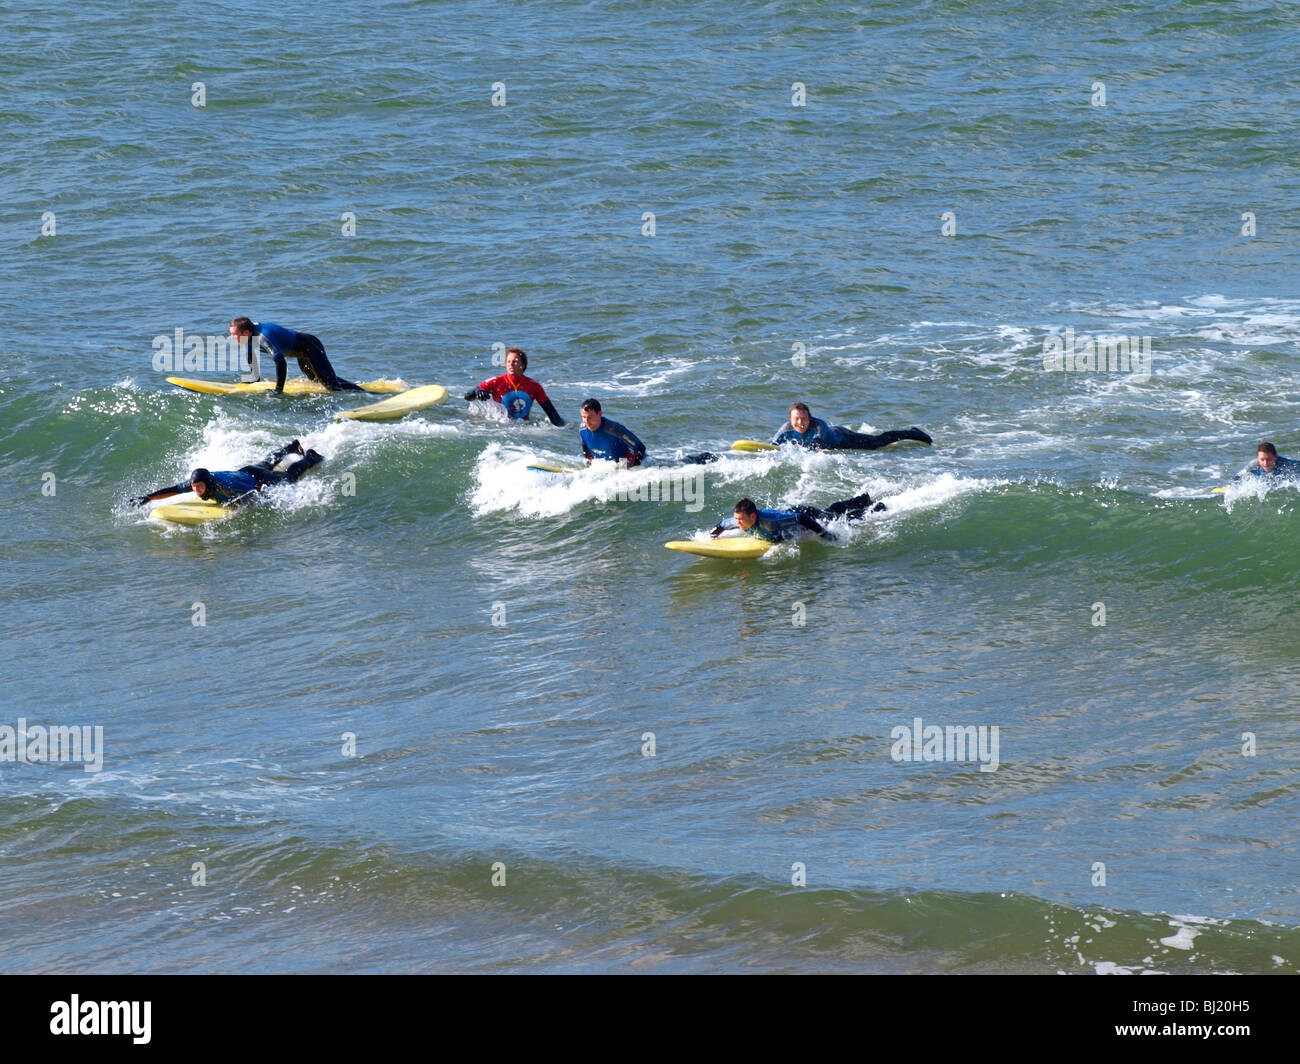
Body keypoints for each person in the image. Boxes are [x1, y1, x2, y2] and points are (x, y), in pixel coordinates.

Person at [130, 441, 323, 507]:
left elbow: (253, 489)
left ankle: (310, 457)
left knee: (289, 478)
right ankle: (290, 447)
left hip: (254, 478)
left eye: (199, 487)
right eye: (194, 487)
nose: (196, 490)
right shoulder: (198, 482)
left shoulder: (225, 486)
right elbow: (174, 490)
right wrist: (148, 497)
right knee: (265, 463)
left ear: (208, 483)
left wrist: (258, 491)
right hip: (245, 472)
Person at [229, 317, 361, 393]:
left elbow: (280, 361)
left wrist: (278, 390)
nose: (232, 337)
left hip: (310, 347)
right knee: (316, 380)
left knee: (331, 386)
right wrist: (254, 380)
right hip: (300, 353)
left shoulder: (263, 337)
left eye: (234, 334)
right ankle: (349, 386)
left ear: (246, 332)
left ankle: (364, 394)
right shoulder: (248, 337)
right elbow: (251, 356)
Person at [709, 493, 885, 543]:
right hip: (792, 514)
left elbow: (801, 518)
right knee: (830, 512)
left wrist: (824, 534)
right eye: (736, 519)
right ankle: (861, 499)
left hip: (804, 514)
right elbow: (722, 525)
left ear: (753, 516)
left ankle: (874, 508)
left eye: (740, 519)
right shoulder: (739, 520)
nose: (737, 522)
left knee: (836, 519)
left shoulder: (771, 522)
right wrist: (713, 535)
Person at [463, 347, 565, 425]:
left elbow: (552, 414)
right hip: (500, 426)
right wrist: (476, 391)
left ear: (523, 365)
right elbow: (467, 396)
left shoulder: (534, 386)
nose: (511, 364)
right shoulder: (495, 381)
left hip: (524, 426)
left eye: (515, 361)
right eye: (508, 361)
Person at [772, 402, 931, 450]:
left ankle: (913, 433)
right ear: (790, 419)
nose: (800, 423)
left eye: (804, 418)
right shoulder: (786, 429)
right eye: (797, 419)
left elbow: (816, 443)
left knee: (877, 443)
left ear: (810, 417)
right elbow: (772, 445)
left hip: (842, 438)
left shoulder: (818, 425)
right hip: (832, 445)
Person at [578, 399, 647, 467]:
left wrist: (634, 470)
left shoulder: (614, 430)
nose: (586, 421)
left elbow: (640, 448)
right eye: (584, 417)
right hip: (605, 465)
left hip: (624, 464)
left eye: (590, 417)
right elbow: (585, 447)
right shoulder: (582, 429)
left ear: (600, 414)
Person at [1236, 441, 1300, 482]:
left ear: (1275, 457)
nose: (1265, 463)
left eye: (1269, 459)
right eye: (1262, 459)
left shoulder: (1286, 464)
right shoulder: (1253, 464)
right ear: (1258, 458)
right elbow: (1238, 476)